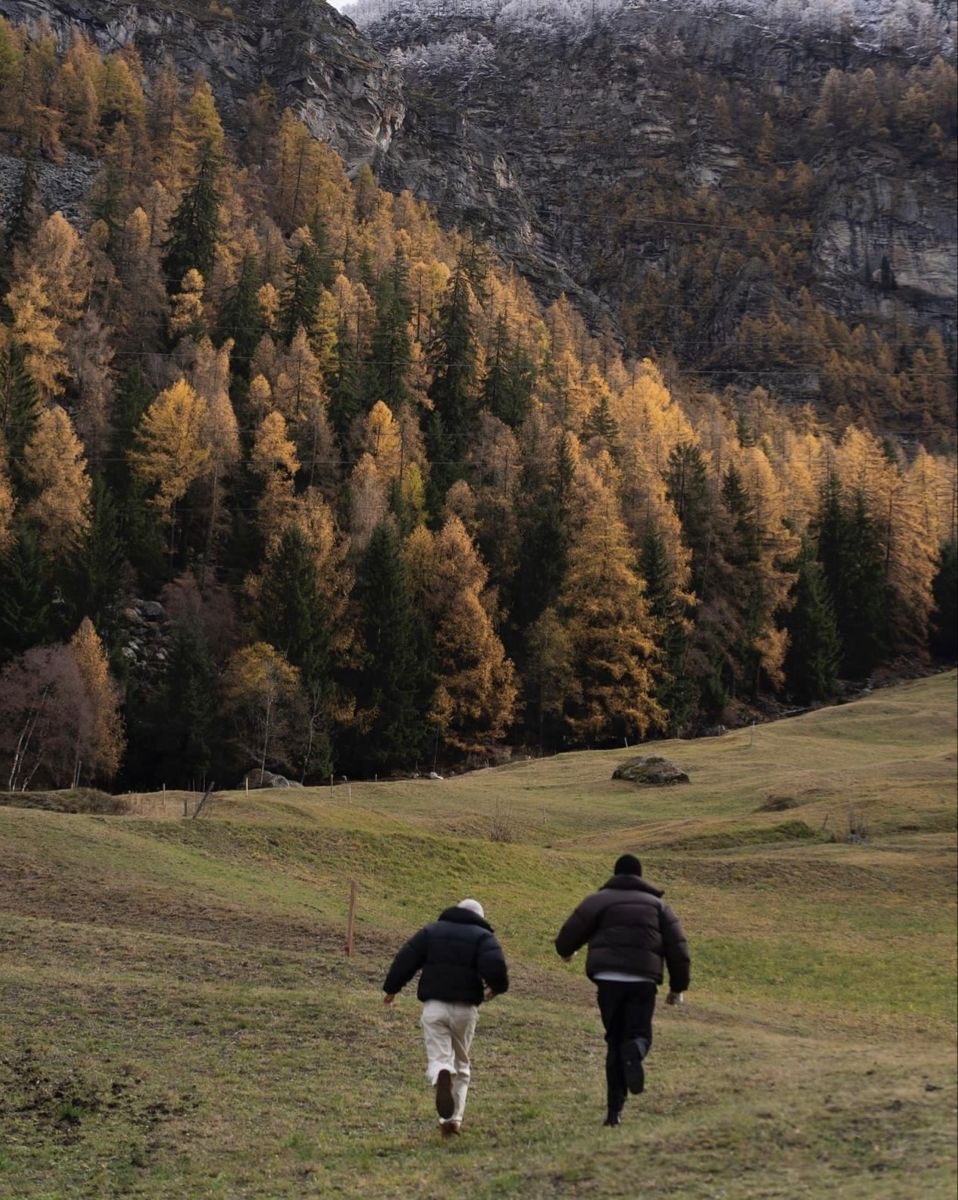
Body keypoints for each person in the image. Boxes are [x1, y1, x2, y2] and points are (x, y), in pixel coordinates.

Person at [554, 853, 690, 1127]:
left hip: (608, 979)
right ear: (640, 876)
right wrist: (677, 988)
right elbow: (678, 949)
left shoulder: (599, 900)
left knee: (614, 1042)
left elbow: (570, 932)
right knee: (639, 1035)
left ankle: (613, 1113)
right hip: (643, 980)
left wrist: (567, 951)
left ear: (615, 874)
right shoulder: (659, 906)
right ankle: (636, 1050)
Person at [383, 897, 509, 1137]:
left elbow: (406, 959)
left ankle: (442, 1077)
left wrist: (392, 988)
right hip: (465, 1010)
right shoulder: (483, 937)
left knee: (439, 1057)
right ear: (479, 917)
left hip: (434, 1007)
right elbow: (496, 967)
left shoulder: (432, 931)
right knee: (461, 1063)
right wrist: (495, 988)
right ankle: (454, 1120)